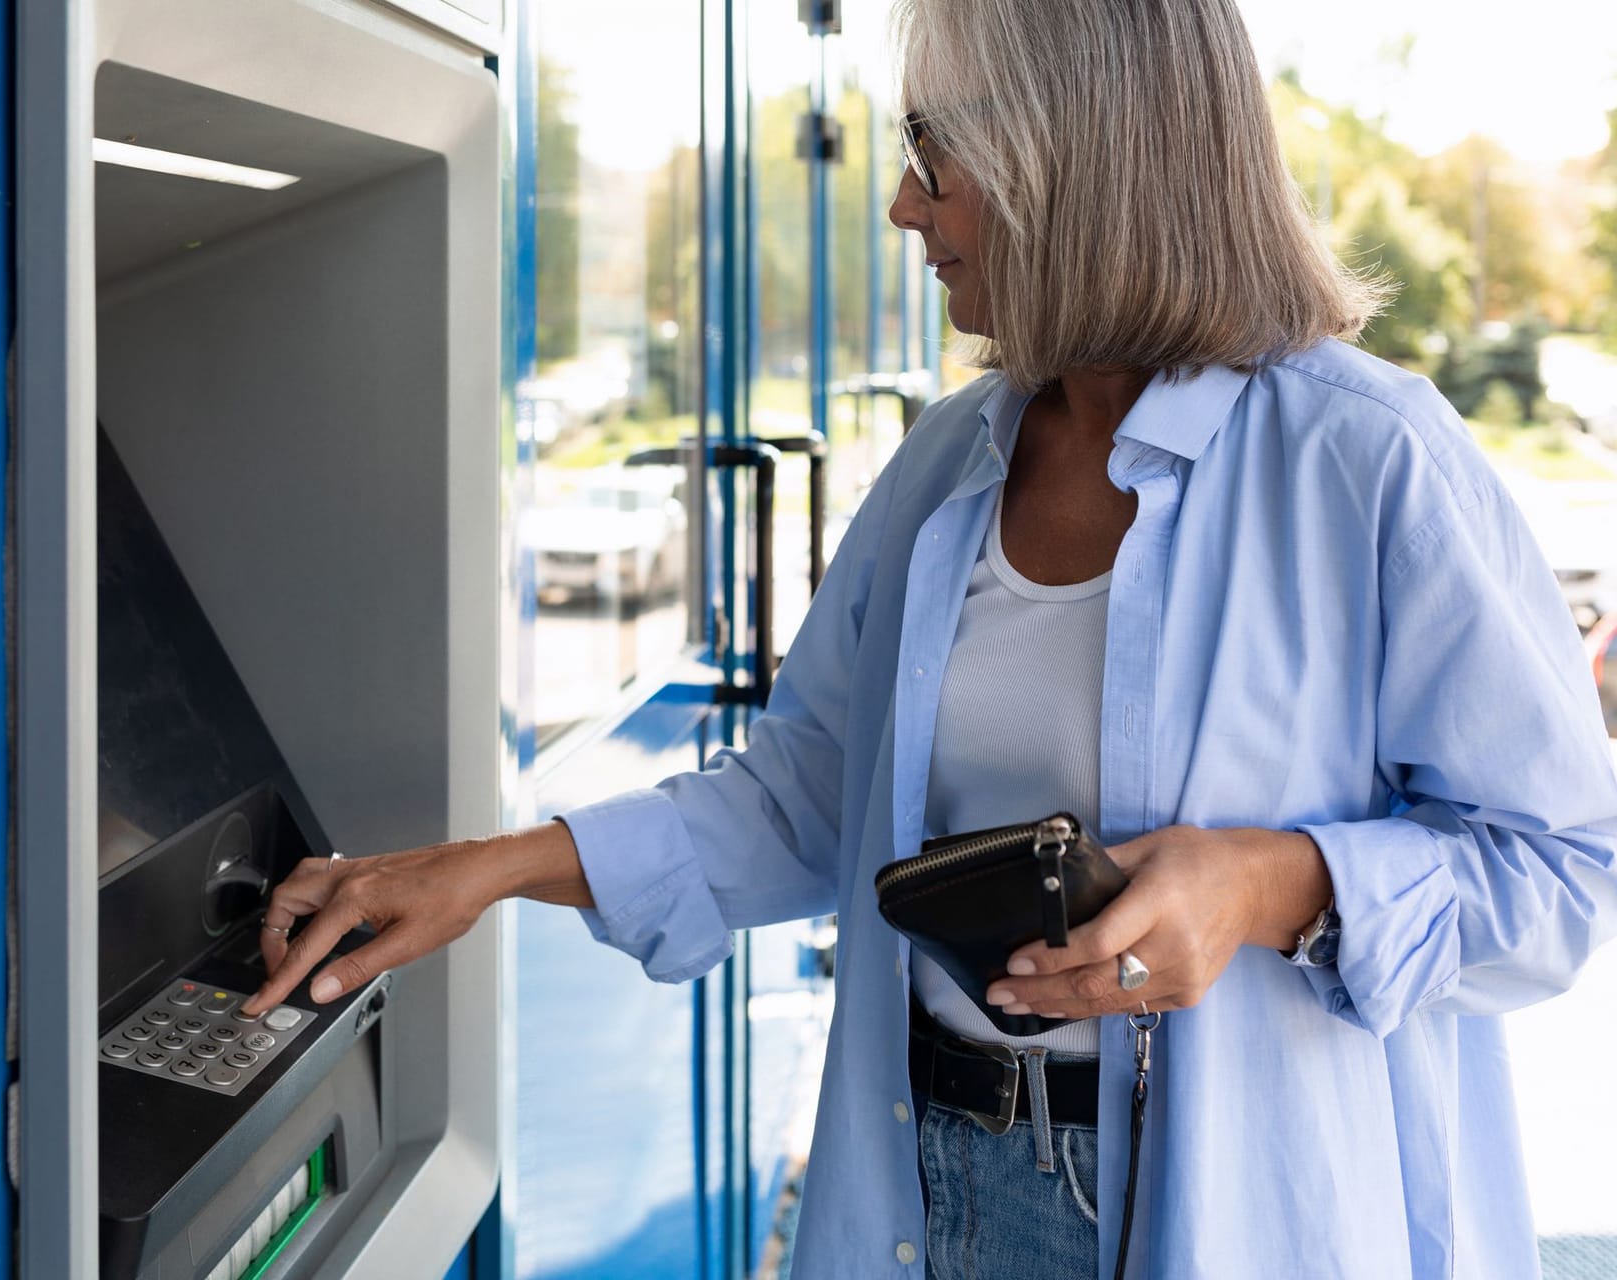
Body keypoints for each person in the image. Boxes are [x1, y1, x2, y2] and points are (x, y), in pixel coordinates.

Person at [243, 0, 1617, 1274]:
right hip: (934, 1182)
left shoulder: (1368, 462)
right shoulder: (954, 458)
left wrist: (1267, 885)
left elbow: (1559, 874)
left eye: (932, 153)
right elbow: (813, 794)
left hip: (1232, 1213)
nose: (905, 206)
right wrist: (482, 873)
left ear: (1070, 156)